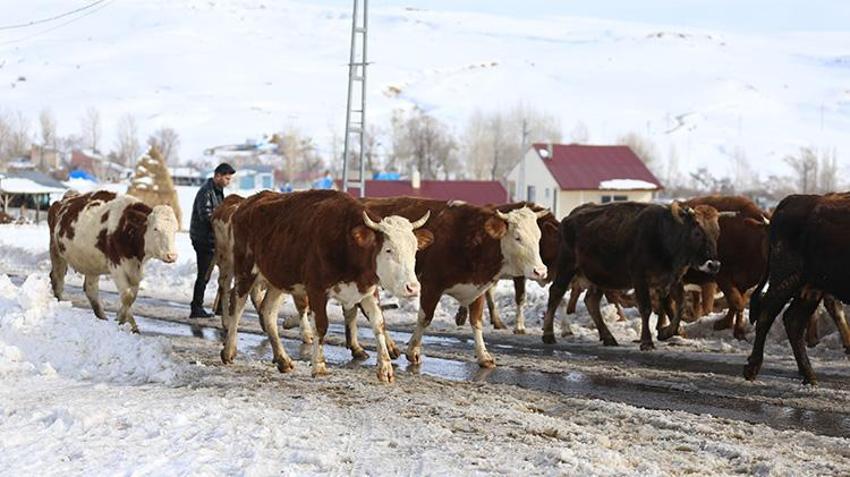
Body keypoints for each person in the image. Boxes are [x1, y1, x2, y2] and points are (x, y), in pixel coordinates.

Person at [189, 162, 235, 318]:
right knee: (204, 274)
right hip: (203, 239)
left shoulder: (218, 190)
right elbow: (207, 216)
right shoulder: (206, 192)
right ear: (217, 176)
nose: (228, 182)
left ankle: (209, 306)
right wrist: (224, 226)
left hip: (212, 239)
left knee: (208, 273)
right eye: (226, 178)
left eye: (229, 179)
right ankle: (196, 308)